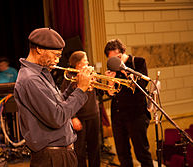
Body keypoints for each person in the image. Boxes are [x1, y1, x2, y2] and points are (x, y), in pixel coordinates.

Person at [14, 28, 92, 167]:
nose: (56, 60)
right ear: (39, 49)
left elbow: (58, 104)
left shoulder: (41, 73)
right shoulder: (31, 79)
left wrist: (73, 88)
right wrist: (80, 90)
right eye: (55, 55)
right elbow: (57, 117)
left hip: (60, 155)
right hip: (52, 158)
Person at [104, 39, 153, 167]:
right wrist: (110, 82)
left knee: (141, 152)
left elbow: (142, 85)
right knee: (122, 154)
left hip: (136, 115)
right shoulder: (111, 66)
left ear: (123, 52)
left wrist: (125, 70)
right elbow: (110, 93)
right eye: (112, 59)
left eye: (118, 57)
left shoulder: (138, 62)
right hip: (118, 115)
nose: (116, 61)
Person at [60, 51, 101, 167]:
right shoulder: (69, 76)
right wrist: (73, 117)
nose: (88, 63)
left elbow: (100, 92)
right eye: (85, 60)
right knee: (80, 150)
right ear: (78, 64)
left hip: (93, 114)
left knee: (95, 147)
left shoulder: (91, 74)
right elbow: (64, 98)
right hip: (79, 117)